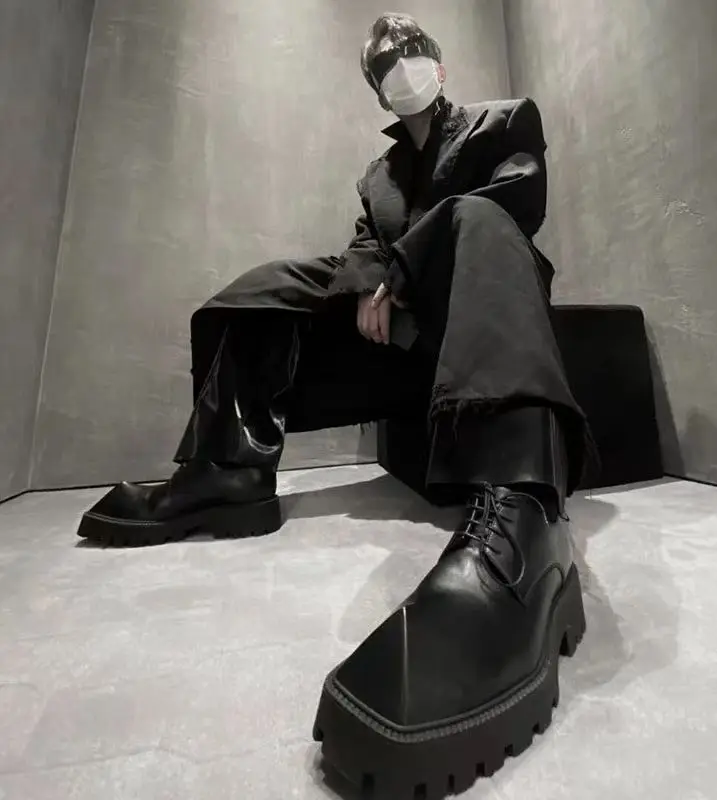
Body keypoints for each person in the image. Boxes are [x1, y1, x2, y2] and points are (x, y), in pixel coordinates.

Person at [78, 13, 594, 796]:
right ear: (376, 89)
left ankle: (528, 518)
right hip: (408, 349)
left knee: (475, 215)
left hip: (484, 312)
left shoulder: (503, 122)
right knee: (264, 290)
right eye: (385, 62)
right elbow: (361, 249)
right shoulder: (377, 178)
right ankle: (227, 469)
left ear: (439, 65)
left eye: (412, 52)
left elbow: (516, 198)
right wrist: (368, 283)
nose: (402, 65)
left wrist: (401, 269)